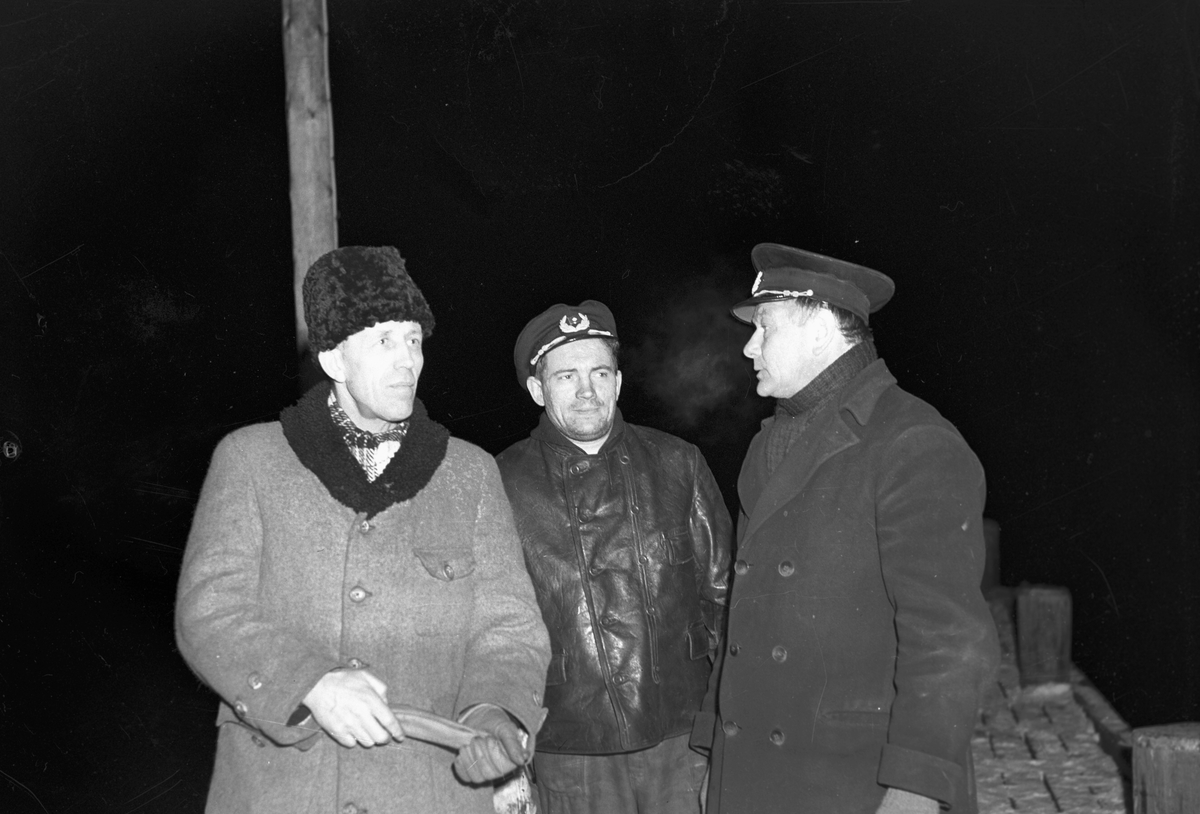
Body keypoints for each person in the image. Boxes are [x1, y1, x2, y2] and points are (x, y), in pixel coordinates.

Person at [175, 246, 551, 814]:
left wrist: (493, 712)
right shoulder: (251, 460)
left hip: (428, 790)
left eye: (413, 341)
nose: (407, 362)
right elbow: (209, 611)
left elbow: (509, 628)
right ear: (333, 359)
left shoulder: (468, 472)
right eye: (383, 341)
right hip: (284, 788)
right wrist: (309, 683)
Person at [697, 244, 1000, 814]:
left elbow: (948, 639)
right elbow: (743, 612)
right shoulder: (767, 445)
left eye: (765, 326)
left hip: (854, 781)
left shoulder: (913, 441)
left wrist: (916, 789)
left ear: (820, 328)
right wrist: (716, 750)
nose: (749, 346)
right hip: (753, 771)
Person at [495, 300, 733, 814]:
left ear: (618, 382)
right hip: (572, 746)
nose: (587, 390)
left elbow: (726, 605)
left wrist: (728, 726)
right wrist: (508, 761)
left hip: (682, 739)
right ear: (537, 390)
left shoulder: (679, 463)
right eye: (566, 376)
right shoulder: (500, 483)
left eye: (599, 373)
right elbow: (493, 631)